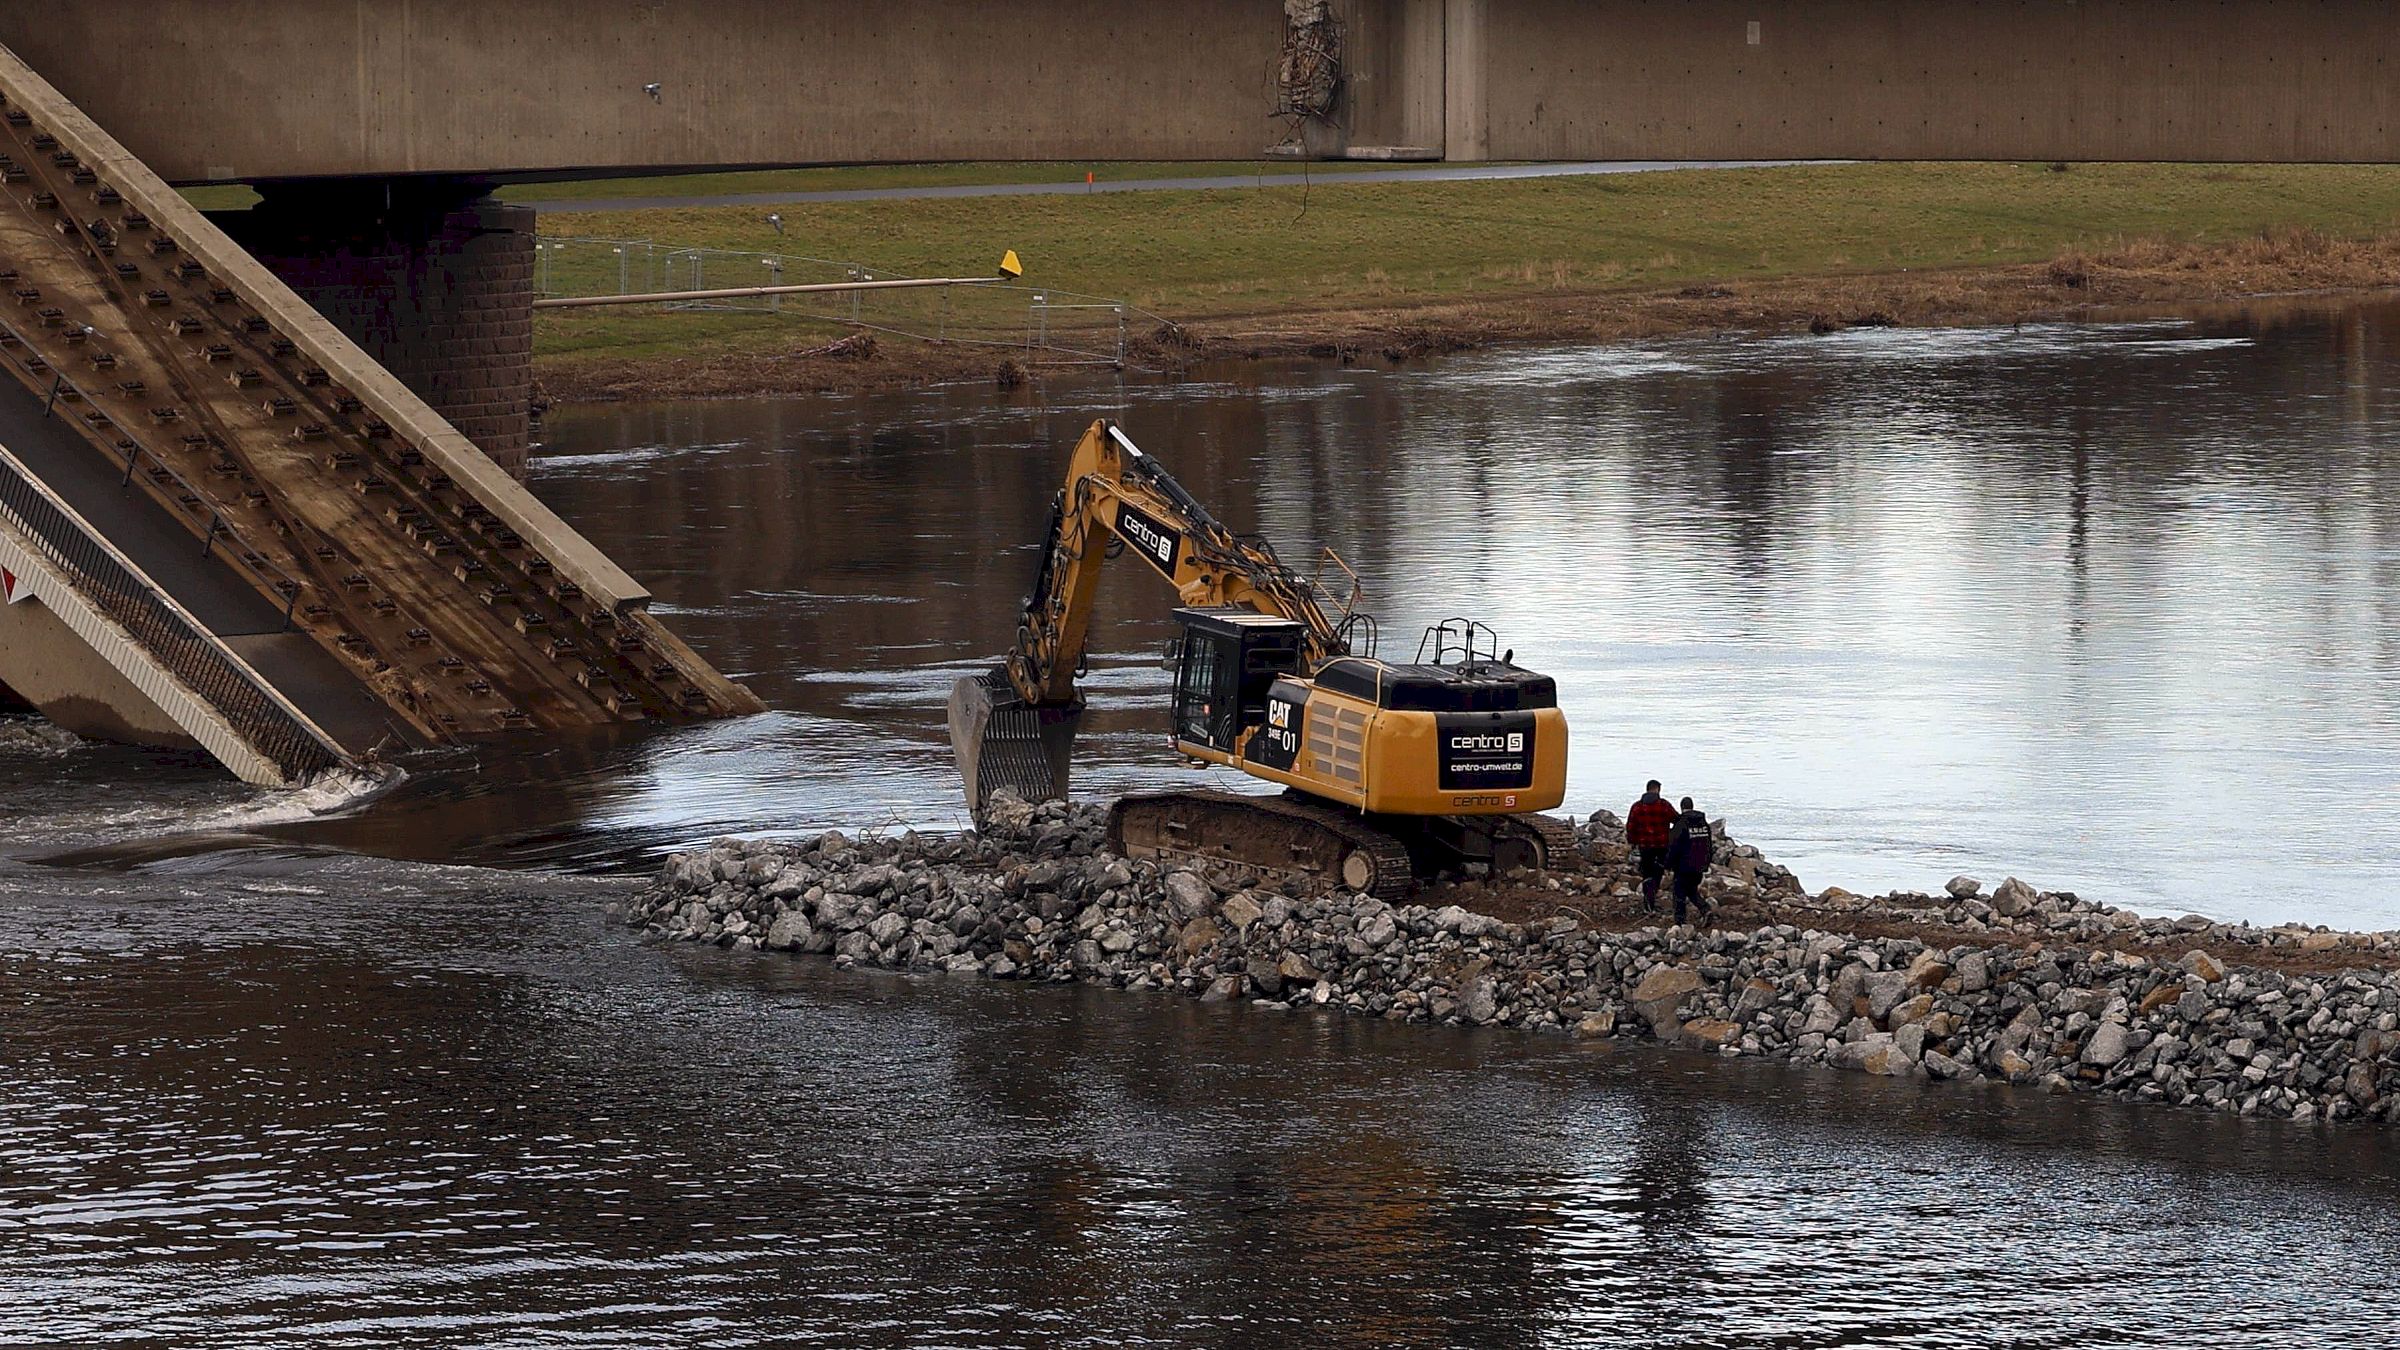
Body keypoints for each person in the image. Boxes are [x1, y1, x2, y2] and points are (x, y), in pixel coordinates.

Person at [1625, 780, 1676, 913]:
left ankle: (1648, 902)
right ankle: (1652, 896)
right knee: (1658, 872)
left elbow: (1630, 827)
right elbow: (1677, 819)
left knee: (1647, 873)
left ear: (1647, 789)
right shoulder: (1664, 805)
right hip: (1661, 846)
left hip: (1645, 846)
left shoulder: (1637, 806)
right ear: (1658, 789)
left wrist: (1633, 842)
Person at [1667, 795, 1716, 928]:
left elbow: (1674, 846)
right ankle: (1705, 909)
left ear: (1682, 808)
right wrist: (1706, 863)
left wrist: (1668, 863)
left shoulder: (1681, 824)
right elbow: (1709, 845)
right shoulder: (1704, 824)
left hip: (1683, 865)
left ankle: (1680, 922)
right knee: (1691, 890)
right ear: (1692, 807)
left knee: (1679, 892)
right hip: (1699, 865)